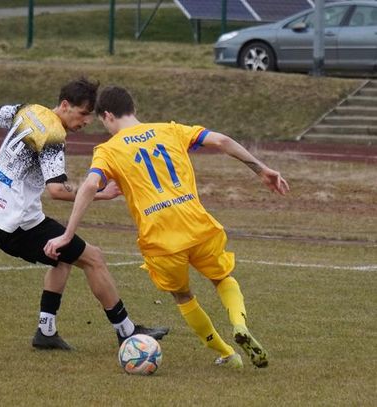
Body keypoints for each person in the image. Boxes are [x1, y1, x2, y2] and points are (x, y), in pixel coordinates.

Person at [44, 85, 290, 368]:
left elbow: (89, 185)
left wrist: (68, 234)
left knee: (183, 295)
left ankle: (227, 354)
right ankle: (239, 324)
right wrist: (262, 169)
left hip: (160, 237)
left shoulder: (108, 150)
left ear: (108, 115)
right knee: (222, 278)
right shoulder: (170, 130)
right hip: (197, 224)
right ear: (133, 109)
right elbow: (222, 141)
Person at [0, 79, 169, 351]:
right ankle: (127, 331)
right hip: (18, 225)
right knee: (94, 258)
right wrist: (100, 193)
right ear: (65, 105)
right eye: (83, 113)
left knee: (61, 258)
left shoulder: (27, 110)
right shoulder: (53, 135)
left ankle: (46, 331)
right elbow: (57, 190)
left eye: (90, 115)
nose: (87, 121)